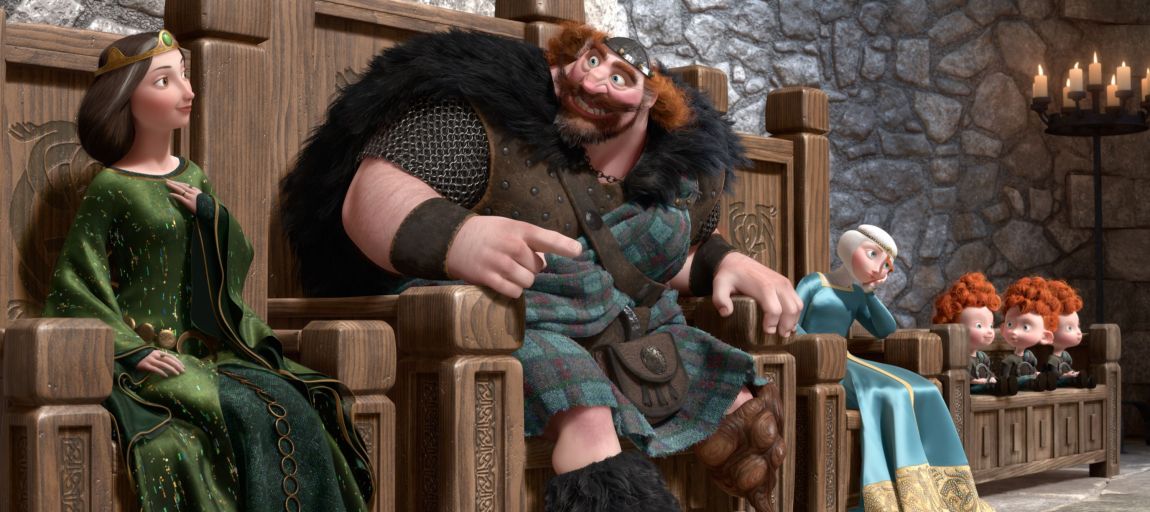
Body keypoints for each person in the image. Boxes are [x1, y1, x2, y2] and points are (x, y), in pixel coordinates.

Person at [280, 23, 795, 510]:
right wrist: (461, 235)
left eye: (619, 78)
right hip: (511, 327)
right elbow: (373, 194)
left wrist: (725, 261)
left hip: (627, 328)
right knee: (586, 415)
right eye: (591, 61)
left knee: (738, 404)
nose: (592, 81)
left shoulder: (672, 171)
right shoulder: (481, 119)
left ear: (650, 103)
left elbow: (660, 258)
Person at [43, 30, 372, 511]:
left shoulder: (192, 175)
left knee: (293, 401)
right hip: (152, 361)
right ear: (125, 99)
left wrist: (211, 215)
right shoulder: (111, 187)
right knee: (246, 410)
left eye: (184, 75)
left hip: (212, 351)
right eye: (164, 81)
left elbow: (234, 255)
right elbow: (75, 281)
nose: (187, 90)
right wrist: (131, 351)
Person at [795, 225, 992, 511]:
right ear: (851, 247)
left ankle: (944, 491)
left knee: (924, 388)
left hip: (847, 358)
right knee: (893, 393)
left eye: (886, 265)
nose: (879, 268)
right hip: (819, 361)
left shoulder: (857, 294)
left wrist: (869, 294)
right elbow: (792, 319)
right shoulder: (815, 282)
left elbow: (885, 328)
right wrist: (813, 347)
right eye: (872, 255)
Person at [933, 272, 1017, 396]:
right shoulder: (958, 358)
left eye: (991, 325)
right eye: (979, 325)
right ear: (955, 327)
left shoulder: (982, 357)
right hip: (967, 391)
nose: (989, 331)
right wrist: (979, 381)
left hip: (984, 388)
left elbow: (987, 372)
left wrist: (991, 378)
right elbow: (960, 380)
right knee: (991, 386)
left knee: (996, 383)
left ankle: (1004, 385)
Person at [999, 277, 1060, 392]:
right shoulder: (1010, 360)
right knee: (1028, 379)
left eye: (1025, 327)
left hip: (1028, 382)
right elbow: (1004, 377)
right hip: (1015, 384)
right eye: (1010, 324)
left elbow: (1032, 368)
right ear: (1002, 329)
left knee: (1037, 376)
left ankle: (1043, 381)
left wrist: (1035, 373)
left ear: (1045, 336)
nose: (1015, 331)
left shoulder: (1029, 357)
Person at [1044, 279, 1095, 388]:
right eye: (1070, 328)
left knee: (1075, 376)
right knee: (1070, 380)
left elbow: (1067, 367)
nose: (1079, 332)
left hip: (1064, 377)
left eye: (1078, 326)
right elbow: (1053, 375)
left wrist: (1070, 372)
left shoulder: (1065, 356)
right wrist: (1066, 375)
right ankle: (1079, 380)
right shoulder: (1053, 359)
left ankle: (1085, 380)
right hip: (1058, 381)